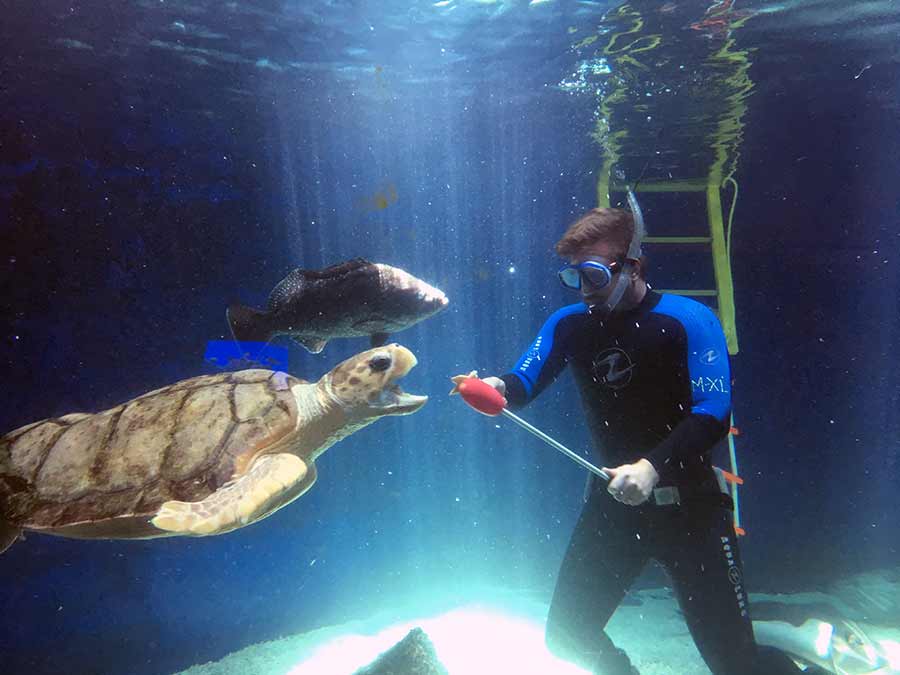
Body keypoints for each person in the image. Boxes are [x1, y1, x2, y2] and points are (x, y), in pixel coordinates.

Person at [474, 200, 804, 674]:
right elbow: (523, 383)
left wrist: (651, 467)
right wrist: (494, 387)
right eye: (574, 277)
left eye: (594, 275)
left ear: (632, 266)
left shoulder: (689, 319)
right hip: (612, 507)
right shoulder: (568, 325)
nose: (584, 290)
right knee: (568, 636)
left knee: (735, 663)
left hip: (690, 509)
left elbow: (713, 412)